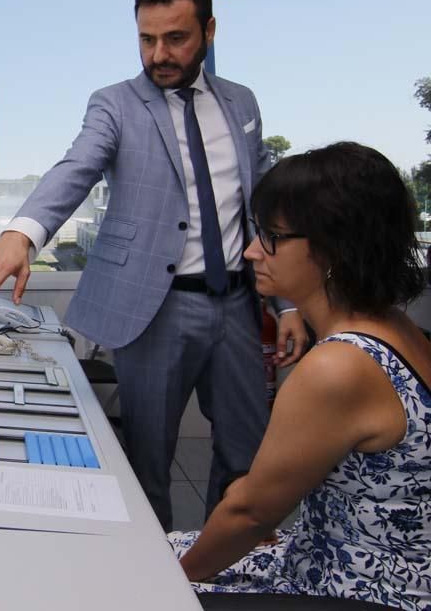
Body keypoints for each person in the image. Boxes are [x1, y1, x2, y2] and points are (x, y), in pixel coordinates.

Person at [0, 0, 307, 530]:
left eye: (176, 38)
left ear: (209, 32)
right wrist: (21, 231)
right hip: (156, 309)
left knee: (246, 457)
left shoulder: (242, 104)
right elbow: (78, 165)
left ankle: (226, 568)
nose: (158, 55)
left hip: (239, 306)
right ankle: (158, 581)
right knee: (147, 462)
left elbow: (261, 209)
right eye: (147, 39)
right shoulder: (115, 104)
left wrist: (287, 303)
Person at [169, 142, 431, 609]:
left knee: (133, 573)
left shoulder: (339, 365)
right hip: (352, 562)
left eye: (271, 236)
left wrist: (162, 585)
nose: (251, 251)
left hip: (360, 591)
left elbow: (251, 513)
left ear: (335, 246)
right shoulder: (396, 325)